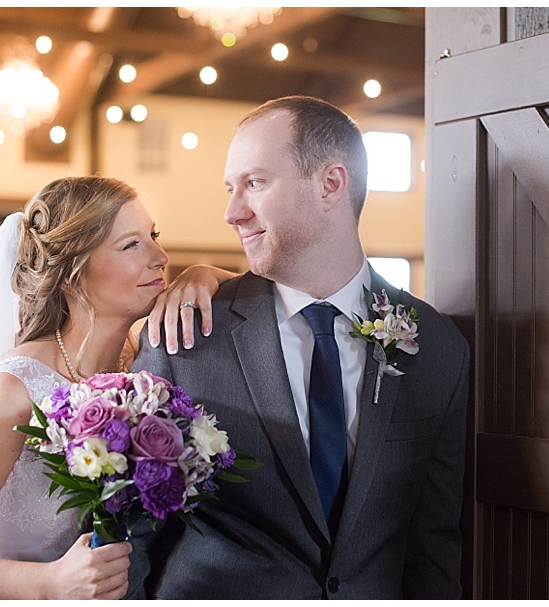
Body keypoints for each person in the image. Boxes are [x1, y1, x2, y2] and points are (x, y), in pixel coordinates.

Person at [131, 96, 470, 599]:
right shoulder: (187, 334)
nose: (232, 212)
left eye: (255, 182)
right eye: (231, 187)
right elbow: (132, 532)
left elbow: (434, 545)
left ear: (331, 184)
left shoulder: (436, 346)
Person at [0, 176, 232, 599]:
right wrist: (51, 583)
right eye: (132, 245)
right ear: (72, 275)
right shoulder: (13, 390)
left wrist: (205, 274)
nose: (161, 256)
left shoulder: (146, 364)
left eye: (153, 236)